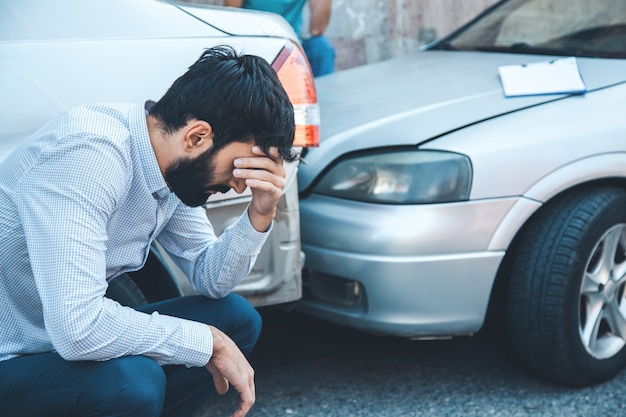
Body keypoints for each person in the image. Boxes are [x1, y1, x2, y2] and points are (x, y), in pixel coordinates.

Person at [0, 45, 296, 417]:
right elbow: (79, 327)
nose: (240, 185)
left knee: (236, 319)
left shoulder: (168, 164)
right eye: (240, 166)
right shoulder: (90, 156)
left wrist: (260, 213)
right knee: (133, 380)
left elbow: (212, 280)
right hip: (11, 353)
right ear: (197, 137)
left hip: (52, 341)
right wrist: (206, 342)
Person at [225, 0, 335, 77]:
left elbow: (317, 29)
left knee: (321, 47)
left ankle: (321, 106)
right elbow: (231, 15)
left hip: (291, 47)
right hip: (252, 44)